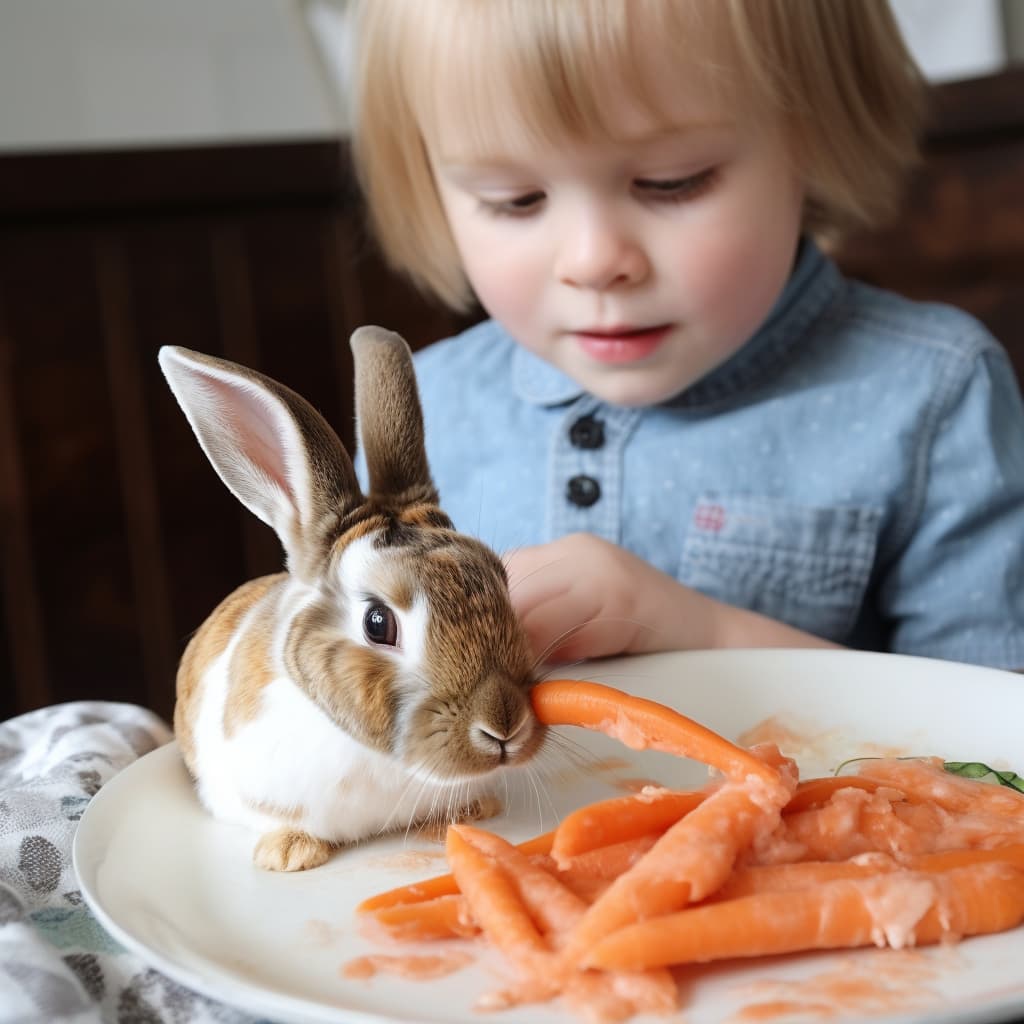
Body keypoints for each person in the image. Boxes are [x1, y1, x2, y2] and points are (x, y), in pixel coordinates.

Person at [348, 0, 1024, 671]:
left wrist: (706, 631)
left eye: (670, 182)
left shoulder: (933, 396)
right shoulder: (417, 410)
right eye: (514, 199)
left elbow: (994, 744)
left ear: (816, 136)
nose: (592, 261)